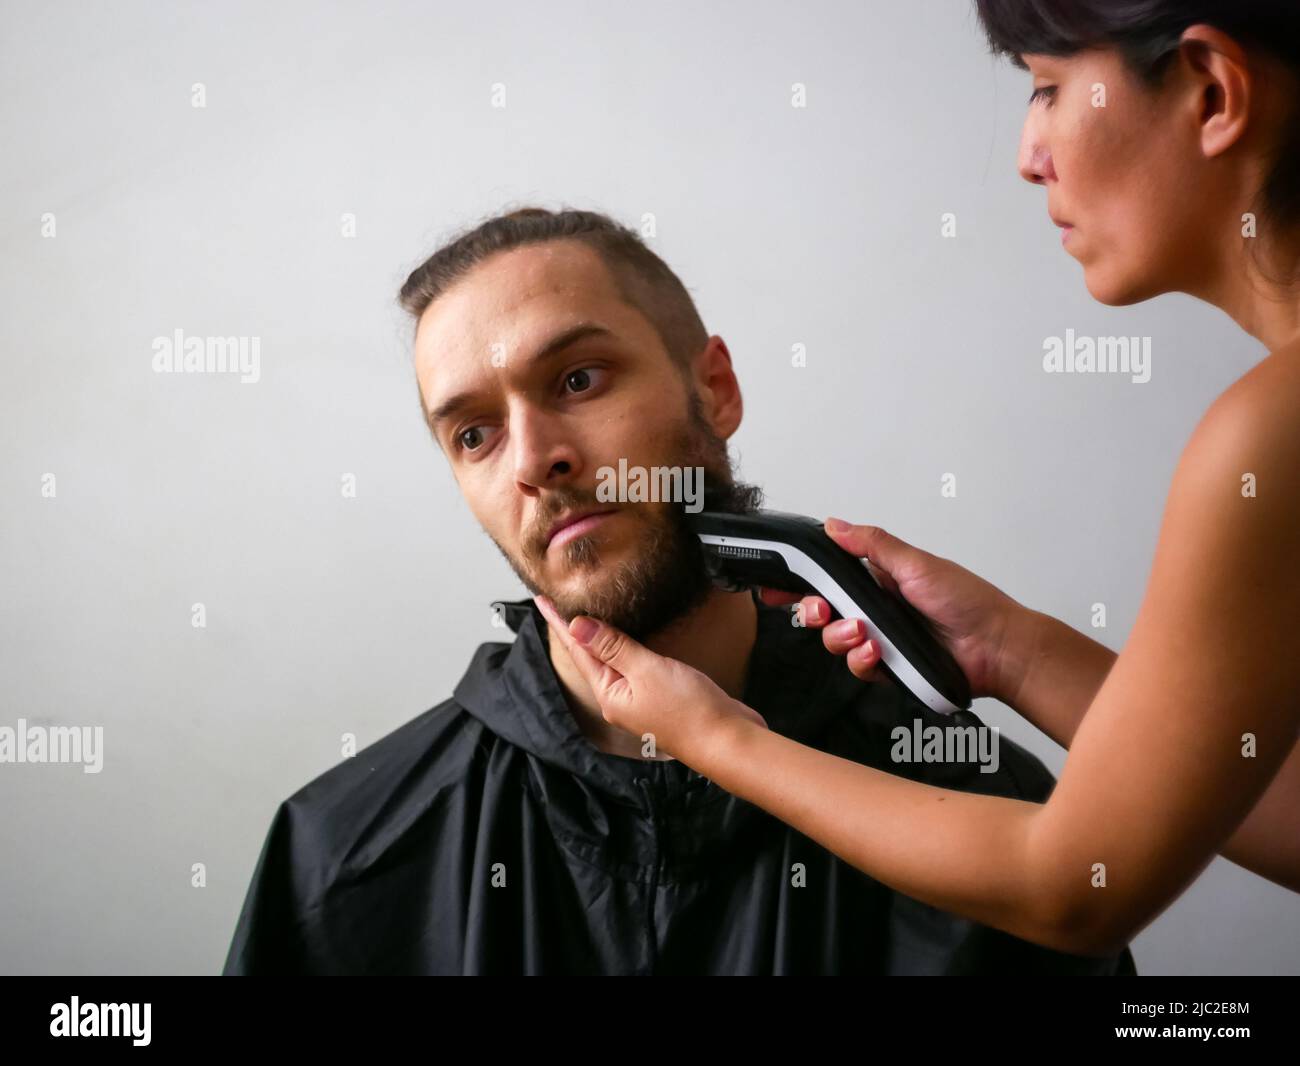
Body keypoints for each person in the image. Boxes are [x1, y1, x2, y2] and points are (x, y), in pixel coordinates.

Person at [535, 0, 1300, 958]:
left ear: (1213, 91)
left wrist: (721, 741)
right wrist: (1012, 651)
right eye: (473, 434)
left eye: (1049, 89)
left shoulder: (1267, 441)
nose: (1029, 155)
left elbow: (1074, 889)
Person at [222, 207, 1134, 975]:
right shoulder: (339, 863)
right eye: (474, 435)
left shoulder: (983, 810)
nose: (537, 460)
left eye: (578, 379)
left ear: (717, 390)